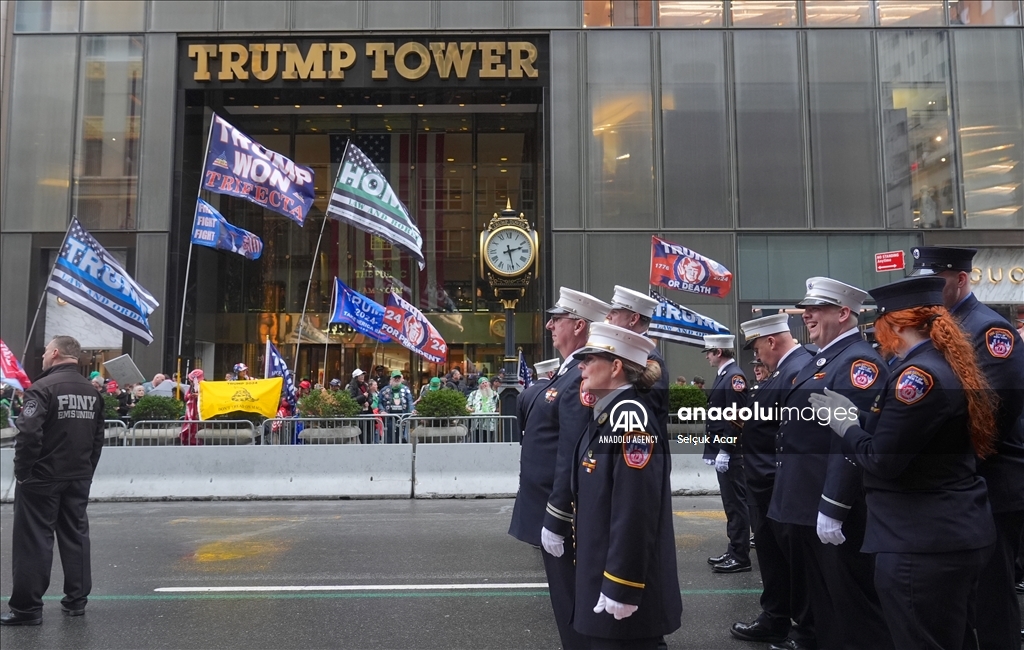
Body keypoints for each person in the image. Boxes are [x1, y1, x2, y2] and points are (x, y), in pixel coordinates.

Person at [811, 276, 997, 648]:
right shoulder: (940, 364)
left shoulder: (917, 377)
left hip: (920, 541)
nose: (878, 337)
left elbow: (882, 460)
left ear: (895, 324)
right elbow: (910, 437)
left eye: (880, 327)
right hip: (948, 532)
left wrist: (847, 426)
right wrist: (860, 420)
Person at [910, 246, 1024, 648]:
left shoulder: (989, 330)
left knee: (992, 595)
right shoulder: (940, 325)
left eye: (935, 282)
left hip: (990, 480)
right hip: (960, 483)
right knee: (962, 596)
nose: (928, 292)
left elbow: (995, 414)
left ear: (961, 279)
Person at [769, 277, 892, 650]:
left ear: (843, 313)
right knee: (825, 608)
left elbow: (850, 438)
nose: (807, 315)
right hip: (805, 501)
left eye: (817, 308)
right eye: (807, 308)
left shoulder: (858, 362)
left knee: (851, 609)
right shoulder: (823, 358)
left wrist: (834, 505)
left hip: (831, 506)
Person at [563, 322, 682, 648]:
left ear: (616, 366)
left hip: (625, 599)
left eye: (589, 359)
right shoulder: (608, 415)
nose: (581, 366)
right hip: (603, 584)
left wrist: (621, 585)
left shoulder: (630, 420)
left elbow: (634, 510)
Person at [510, 286, 611, 650]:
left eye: (558, 320)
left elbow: (572, 452)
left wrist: (557, 515)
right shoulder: (567, 372)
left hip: (563, 513)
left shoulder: (581, 377)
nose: (551, 325)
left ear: (580, 325)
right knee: (566, 599)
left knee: (572, 602)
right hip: (551, 507)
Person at [2, 336, 104, 626]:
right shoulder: (92, 391)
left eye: (46, 351)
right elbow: (98, 438)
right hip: (78, 475)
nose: (44, 356)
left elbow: (29, 434)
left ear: (55, 353)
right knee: (76, 536)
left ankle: (27, 609)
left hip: (42, 477)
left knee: (34, 540)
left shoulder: (43, 387)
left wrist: (24, 472)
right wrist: (87, 470)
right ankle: (76, 601)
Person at [730, 314, 814, 647]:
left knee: (797, 564)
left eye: (757, 348)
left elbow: (794, 436)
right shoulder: (783, 370)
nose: (757, 356)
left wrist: (773, 480)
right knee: (774, 560)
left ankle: (806, 628)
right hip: (765, 487)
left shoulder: (797, 370)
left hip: (778, 485)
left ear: (771, 341)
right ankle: (776, 617)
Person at [701, 334, 751, 574]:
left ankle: (740, 555)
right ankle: (734, 549)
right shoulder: (725, 375)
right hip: (725, 450)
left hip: (732, 453)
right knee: (730, 504)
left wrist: (726, 449)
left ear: (718, 352)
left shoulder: (734, 377)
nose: (707, 357)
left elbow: (737, 416)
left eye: (709, 352)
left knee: (736, 504)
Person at [605, 285, 668, 426]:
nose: (608, 316)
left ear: (633, 318)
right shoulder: (628, 352)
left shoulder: (648, 358)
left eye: (614, 312)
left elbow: (644, 412)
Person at [515, 358, 561, 441]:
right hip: (552, 442)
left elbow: (520, 424)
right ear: (551, 374)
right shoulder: (555, 391)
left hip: (529, 442)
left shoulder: (523, 394)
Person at [379, 370, 413, 443]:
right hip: (389, 418)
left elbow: (410, 401)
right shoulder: (385, 390)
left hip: (402, 418)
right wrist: (382, 411)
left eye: (398, 377)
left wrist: (412, 410)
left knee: (401, 438)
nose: (397, 379)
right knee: (389, 438)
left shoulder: (406, 390)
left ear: (401, 378)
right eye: (395, 378)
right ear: (391, 379)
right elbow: (379, 402)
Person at [466, 377, 498, 442]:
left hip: (489, 424)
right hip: (476, 423)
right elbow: (468, 405)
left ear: (489, 384)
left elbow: (499, 405)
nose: (484, 384)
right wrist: (470, 409)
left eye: (486, 382)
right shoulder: (474, 394)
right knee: (476, 441)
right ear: (479, 385)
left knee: (488, 441)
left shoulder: (495, 394)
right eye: (482, 383)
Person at [179, 369, 203, 446]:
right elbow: (186, 397)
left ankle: (196, 439)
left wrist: (199, 396)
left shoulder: (204, 385)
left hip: (200, 409)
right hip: (191, 409)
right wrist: (190, 396)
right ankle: (189, 439)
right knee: (190, 424)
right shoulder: (191, 387)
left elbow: (207, 396)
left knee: (197, 424)